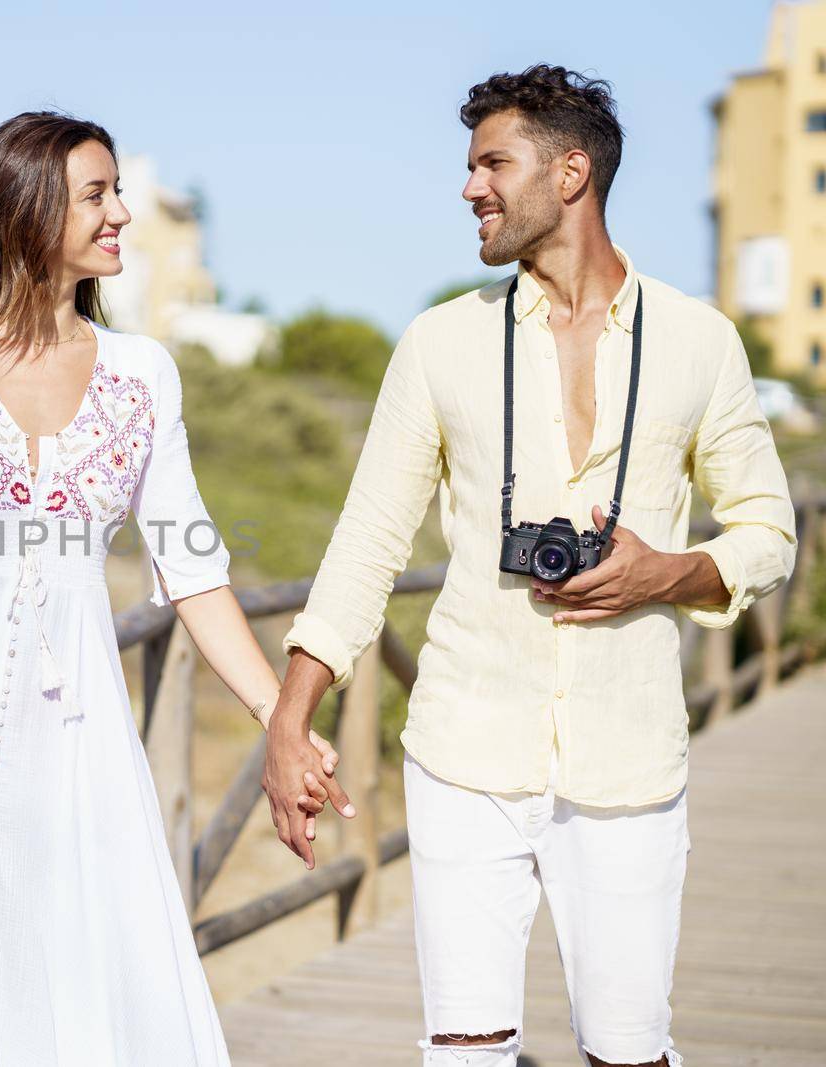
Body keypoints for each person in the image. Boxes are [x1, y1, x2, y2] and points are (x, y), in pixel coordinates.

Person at [261, 66, 796, 1067]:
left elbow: (770, 530)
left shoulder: (699, 342)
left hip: (628, 756)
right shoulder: (436, 342)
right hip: (464, 746)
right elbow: (368, 538)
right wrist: (292, 716)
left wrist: (665, 572)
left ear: (570, 173)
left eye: (492, 163)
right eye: (470, 167)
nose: (471, 188)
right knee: (463, 1048)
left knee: (626, 1049)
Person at [0, 111, 352, 1066]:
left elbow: (190, 567)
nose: (123, 214)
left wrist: (282, 719)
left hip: (68, 720)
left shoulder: (143, 373)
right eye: (97, 194)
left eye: (116, 191)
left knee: (53, 950)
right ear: (27, 209)